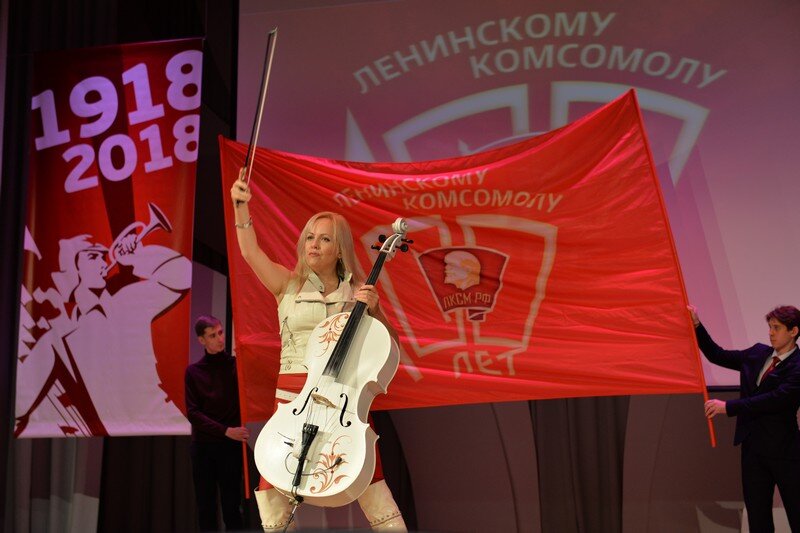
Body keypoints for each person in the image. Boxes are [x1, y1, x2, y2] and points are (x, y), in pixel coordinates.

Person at [231, 175, 407, 531]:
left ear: (339, 249)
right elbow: (250, 252)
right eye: (310, 237)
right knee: (273, 487)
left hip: (343, 400)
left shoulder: (358, 292)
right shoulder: (287, 284)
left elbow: (390, 346)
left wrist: (374, 311)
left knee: (371, 481)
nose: (313, 244)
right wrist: (240, 206)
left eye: (324, 239)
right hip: (291, 398)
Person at [691, 304, 800, 532]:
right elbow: (716, 355)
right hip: (753, 449)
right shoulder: (757, 353)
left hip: (785, 452)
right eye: (770, 327)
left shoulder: (798, 366)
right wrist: (697, 325)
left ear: (793, 331)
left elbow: (774, 399)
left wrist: (728, 407)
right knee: (758, 518)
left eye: (777, 328)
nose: (771, 333)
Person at [185, 315, 249, 531]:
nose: (220, 339)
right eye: (213, 335)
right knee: (206, 508)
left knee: (232, 507)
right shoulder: (193, 372)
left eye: (220, 332)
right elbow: (193, 414)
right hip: (204, 448)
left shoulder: (235, 366)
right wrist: (225, 431)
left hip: (230, 448)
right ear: (202, 340)